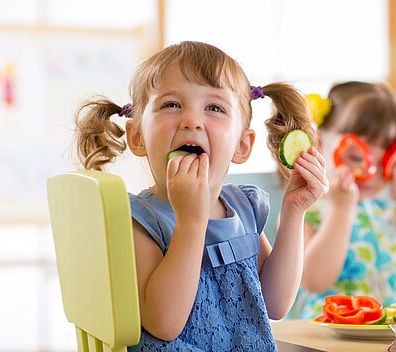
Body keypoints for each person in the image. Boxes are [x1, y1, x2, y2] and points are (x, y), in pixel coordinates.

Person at [74, 41, 328, 351]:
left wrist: (293, 213)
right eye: (171, 105)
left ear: (242, 146)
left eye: (214, 108)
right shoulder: (138, 219)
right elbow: (164, 324)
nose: (191, 120)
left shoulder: (243, 208)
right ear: (137, 136)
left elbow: (275, 304)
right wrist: (191, 222)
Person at [288, 81, 396, 319]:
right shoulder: (304, 208)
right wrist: (341, 208)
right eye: (356, 156)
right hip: (336, 328)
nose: (370, 172)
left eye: (385, 162)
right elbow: (314, 280)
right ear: (318, 142)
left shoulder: (394, 207)